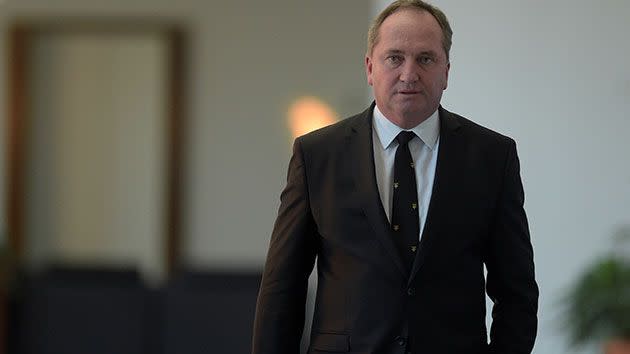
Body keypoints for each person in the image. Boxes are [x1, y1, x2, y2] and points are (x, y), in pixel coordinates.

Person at [252, 1, 538, 353]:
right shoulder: (317, 156)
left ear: (446, 71)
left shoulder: (492, 157)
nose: (409, 73)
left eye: (425, 59)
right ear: (370, 68)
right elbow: (283, 287)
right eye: (394, 58)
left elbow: (517, 292)